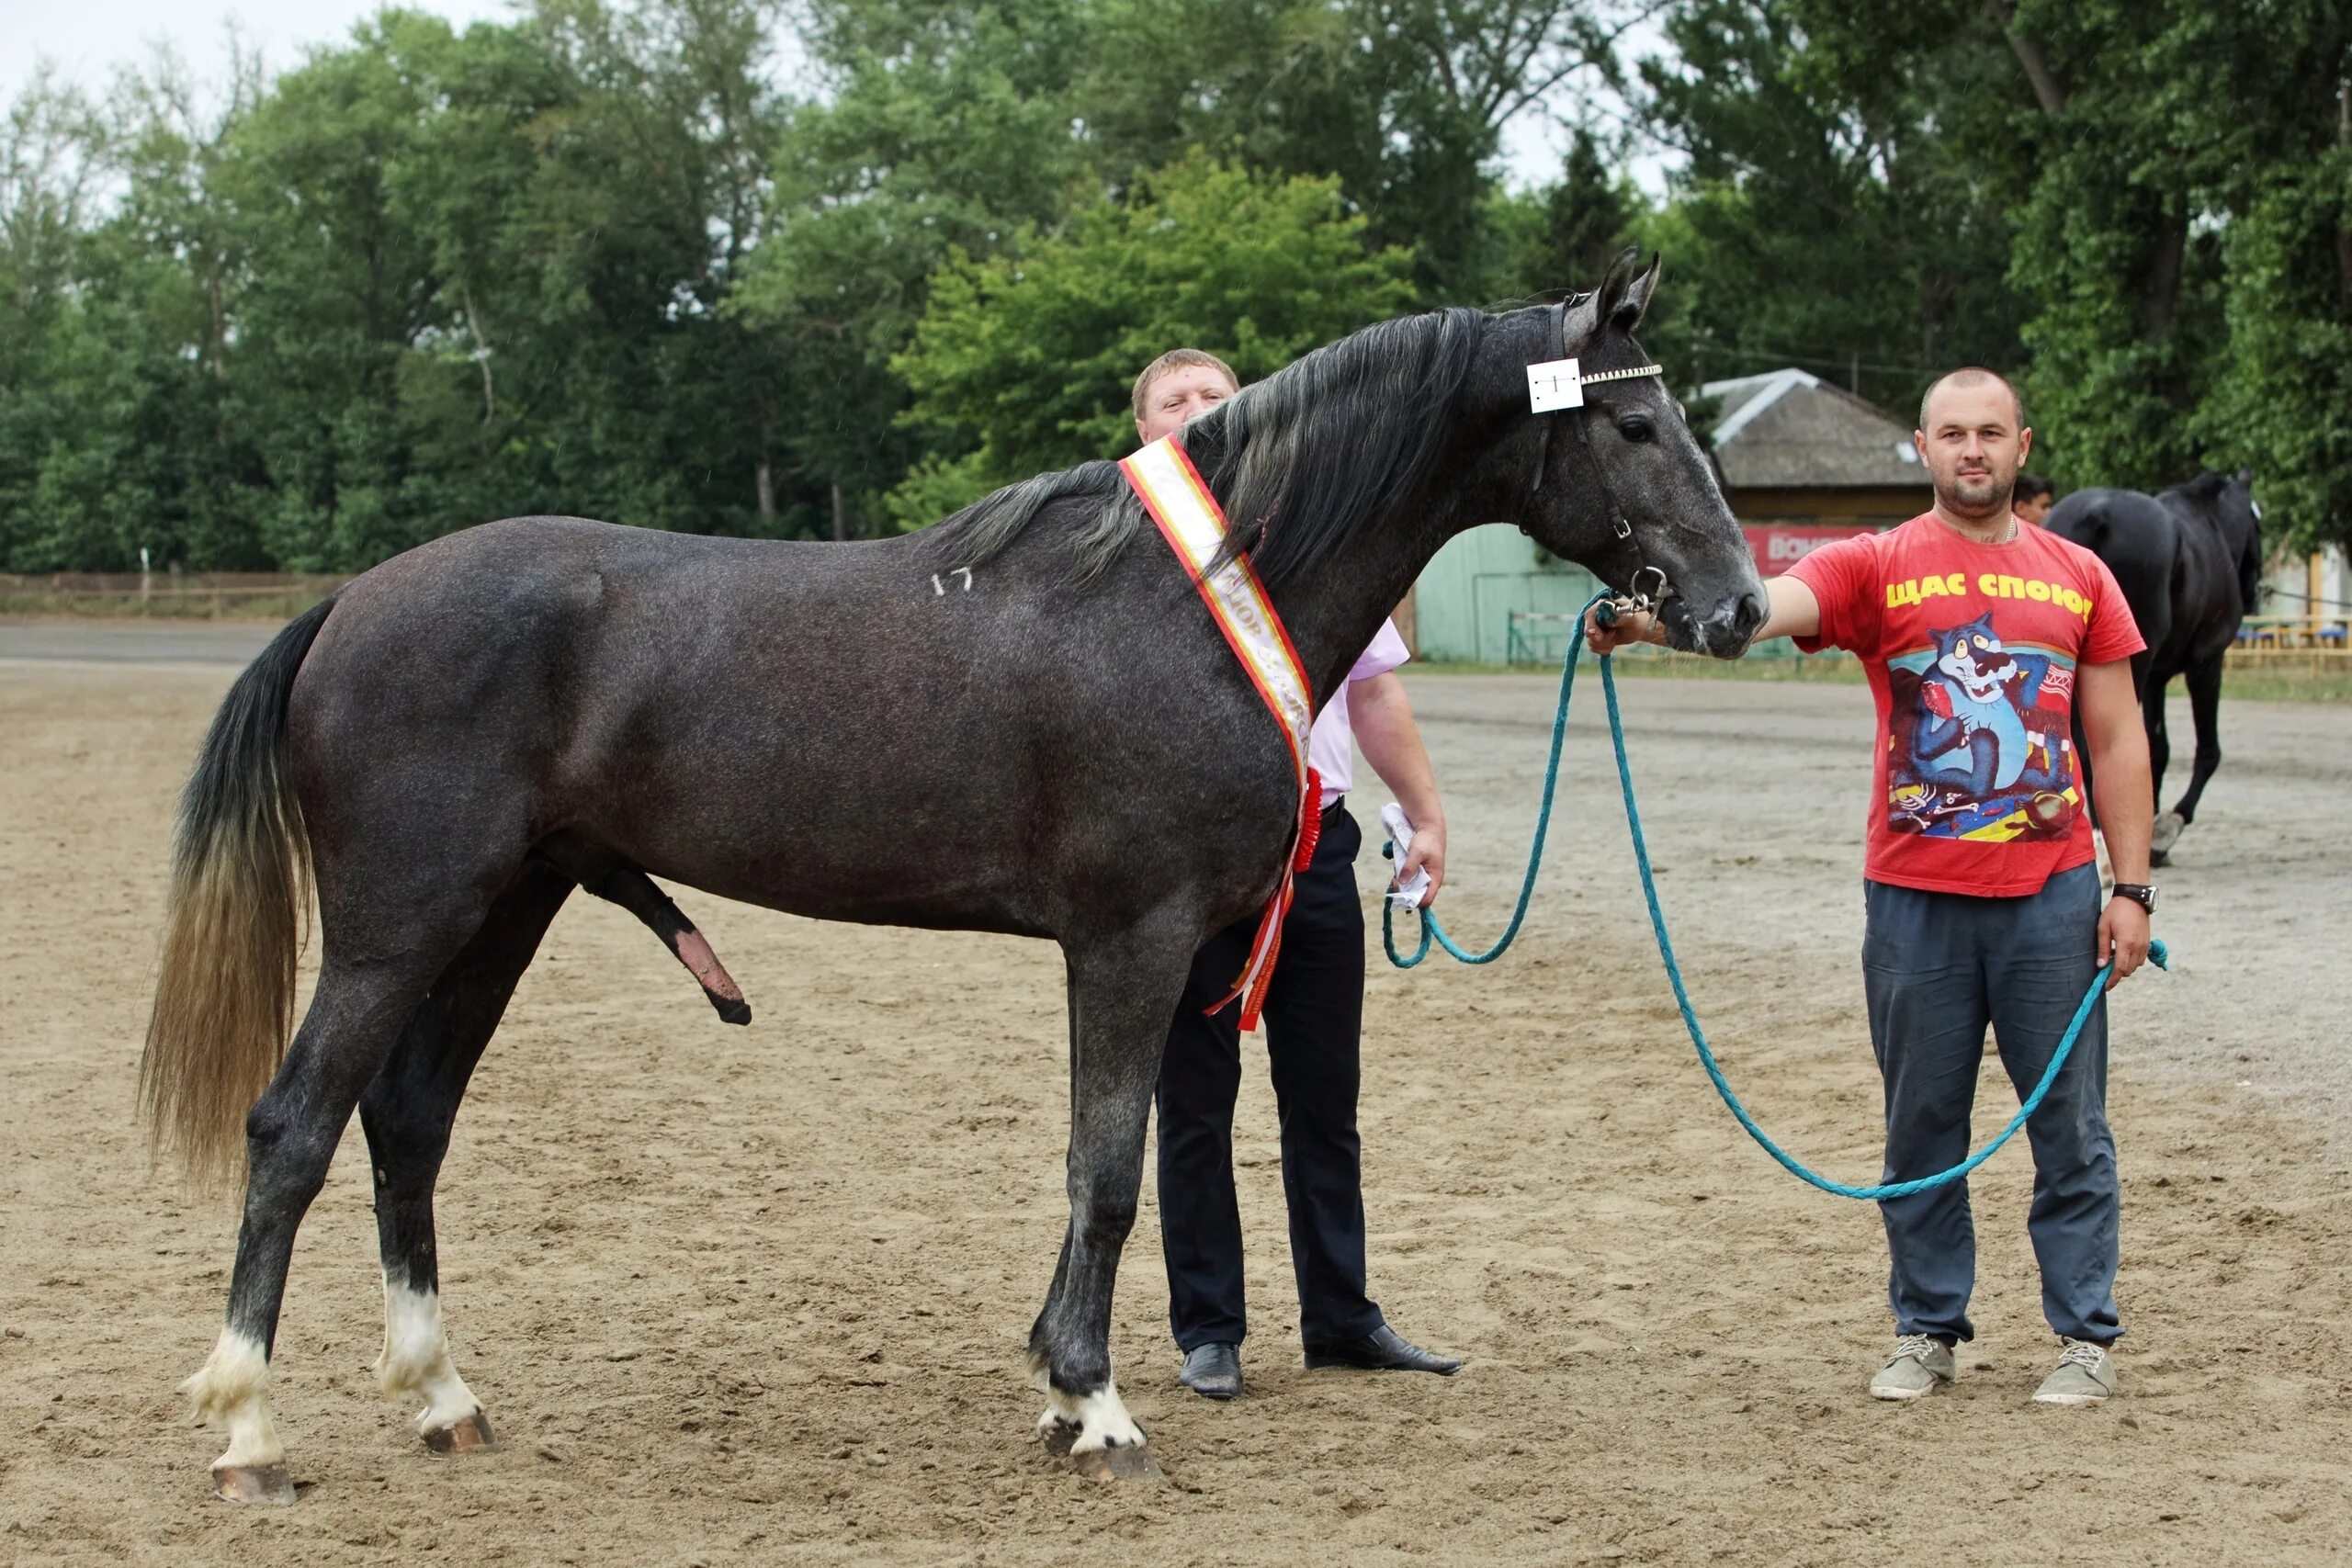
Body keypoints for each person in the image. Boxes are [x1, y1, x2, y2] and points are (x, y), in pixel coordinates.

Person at [1587, 367, 2155, 1406]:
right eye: (1951, 433)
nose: (1971, 450)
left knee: (2068, 1124)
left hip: (2054, 896)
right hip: (1915, 901)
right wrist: (1653, 624)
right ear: (1921, 447)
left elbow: (2116, 739)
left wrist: (2132, 889)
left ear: (2022, 447)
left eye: (1990, 433)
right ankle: (1927, 1328)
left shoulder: (2079, 575)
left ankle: (2083, 1337)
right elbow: (1766, 608)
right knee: (1921, 1122)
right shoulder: (1877, 564)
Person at [1132, 348, 1462, 1401]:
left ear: (1256, 415)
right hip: (1183, 867)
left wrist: (1424, 812)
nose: (1195, 412)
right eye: (1172, 403)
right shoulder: (1122, 551)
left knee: (1325, 1102)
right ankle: (1210, 1329)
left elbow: (1373, 698)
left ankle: (1340, 1317)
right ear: (1145, 437)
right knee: (1193, 1103)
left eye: (1213, 397)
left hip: (1316, 847)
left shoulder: (1321, 543)